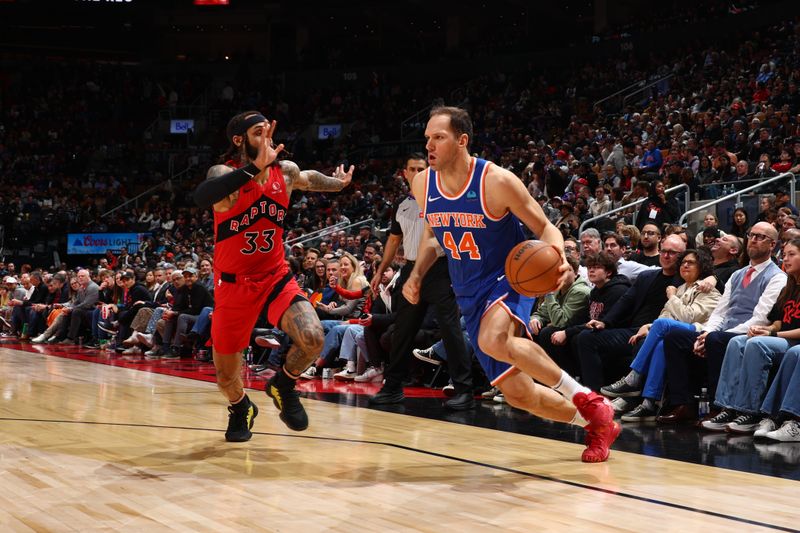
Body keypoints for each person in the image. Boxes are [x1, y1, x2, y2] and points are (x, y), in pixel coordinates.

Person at [392, 106, 620, 462]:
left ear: (462, 140)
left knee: (493, 338)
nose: (429, 146)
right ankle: (593, 422)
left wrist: (558, 255)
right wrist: (417, 274)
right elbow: (435, 236)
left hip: (508, 276)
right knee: (519, 394)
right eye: (427, 139)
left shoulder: (496, 181)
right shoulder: (423, 184)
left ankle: (588, 398)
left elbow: (546, 228)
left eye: (439, 137)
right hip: (467, 291)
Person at [193, 111, 353, 442]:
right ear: (239, 141)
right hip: (233, 285)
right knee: (225, 377)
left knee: (313, 336)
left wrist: (338, 183)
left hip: (274, 277)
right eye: (256, 133)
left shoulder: (286, 172)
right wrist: (254, 168)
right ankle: (241, 407)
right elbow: (202, 196)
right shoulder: (226, 176)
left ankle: (282, 383)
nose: (265, 137)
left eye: (268, 131)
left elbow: (308, 177)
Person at [369, 153, 475, 410]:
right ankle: (393, 387)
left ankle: (464, 390)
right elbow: (394, 241)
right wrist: (380, 269)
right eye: (412, 169)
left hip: (440, 268)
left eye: (421, 169)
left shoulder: (444, 197)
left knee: (450, 329)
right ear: (404, 173)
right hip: (409, 269)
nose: (417, 173)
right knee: (402, 331)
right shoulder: (402, 205)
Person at [601, 249, 721, 421]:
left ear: (702, 267)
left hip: (699, 332)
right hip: (674, 333)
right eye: (683, 262)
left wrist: (671, 297)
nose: (685, 265)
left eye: (691, 262)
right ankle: (650, 403)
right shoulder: (680, 288)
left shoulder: (709, 290)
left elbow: (688, 316)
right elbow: (665, 315)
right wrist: (649, 325)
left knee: (662, 325)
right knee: (660, 345)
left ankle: (633, 378)